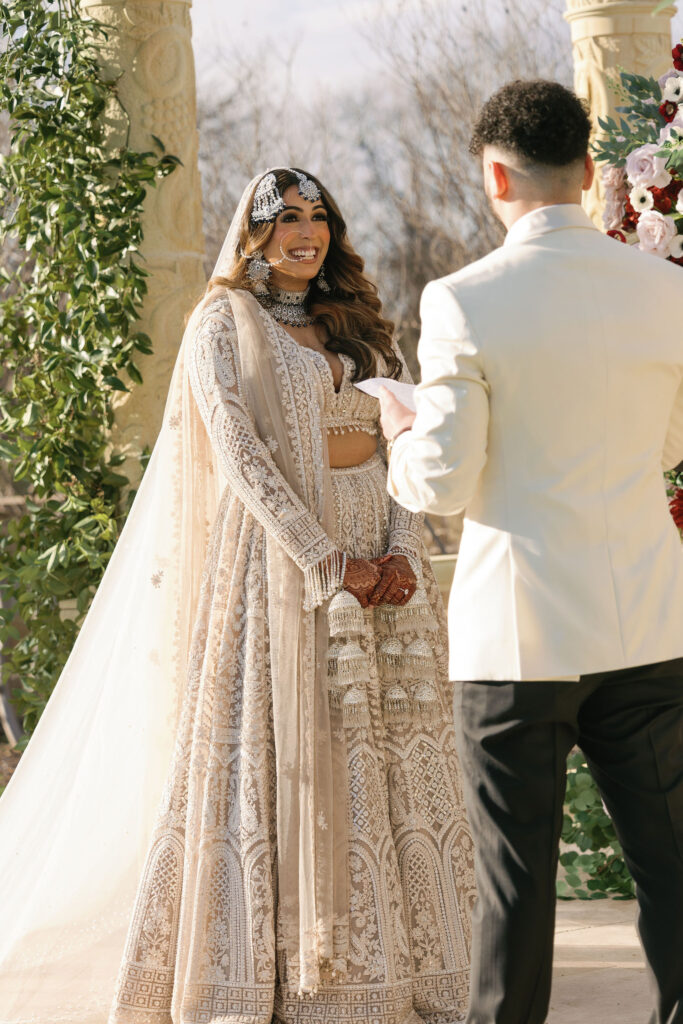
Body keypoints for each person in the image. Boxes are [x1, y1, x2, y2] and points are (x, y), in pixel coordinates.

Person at [0, 168, 474, 1024]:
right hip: (281, 571)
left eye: (318, 215)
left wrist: (401, 547)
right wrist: (326, 560)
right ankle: (286, 973)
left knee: (390, 752)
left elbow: (406, 437)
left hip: (383, 562)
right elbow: (242, 456)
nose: (307, 231)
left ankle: (414, 971)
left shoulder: (363, 327)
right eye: (285, 217)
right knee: (289, 752)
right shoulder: (223, 322)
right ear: (251, 232)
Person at [380, 81, 683, 1024]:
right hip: (646, 622)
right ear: (591, 171)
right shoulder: (667, 289)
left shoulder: (462, 300)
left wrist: (402, 426)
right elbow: (669, 448)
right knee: (672, 873)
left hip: (517, 642)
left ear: (495, 175)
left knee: (516, 890)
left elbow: (439, 482)